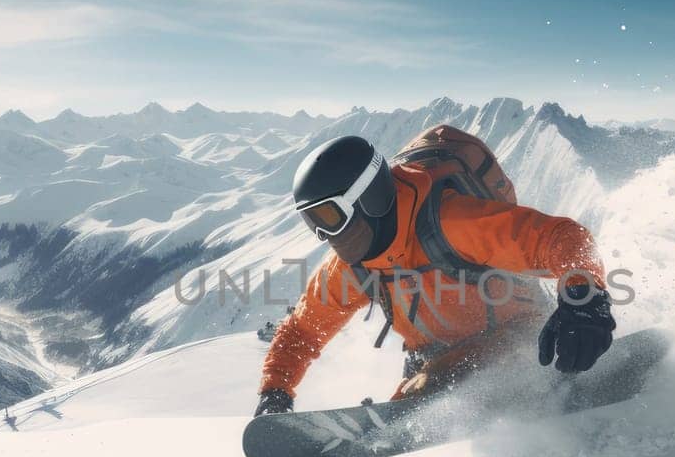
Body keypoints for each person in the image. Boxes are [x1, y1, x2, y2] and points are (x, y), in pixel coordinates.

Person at [255, 131, 615, 417]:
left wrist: (583, 300)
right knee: (426, 385)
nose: (325, 235)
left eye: (330, 217)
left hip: (520, 335)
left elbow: (562, 239)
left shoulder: (451, 224)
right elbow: (304, 329)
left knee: (431, 386)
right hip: (433, 358)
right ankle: (407, 411)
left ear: (371, 198)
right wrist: (275, 389)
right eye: (312, 222)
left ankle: (410, 409)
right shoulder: (354, 267)